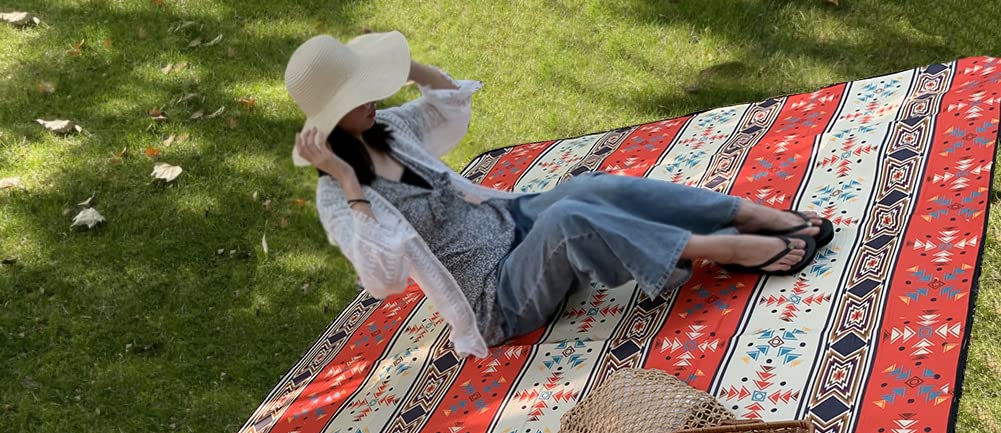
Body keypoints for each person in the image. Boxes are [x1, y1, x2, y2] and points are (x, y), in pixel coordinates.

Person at [285, 31, 835, 360]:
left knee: (588, 187)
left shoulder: (388, 128)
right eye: (357, 96)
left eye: (368, 87)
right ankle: (724, 249)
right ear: (330, 117)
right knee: (571, 217)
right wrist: (350, 183)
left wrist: (401, 67)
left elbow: (447, 102)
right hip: (496, 296)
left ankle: (745, 214)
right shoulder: (337, 196)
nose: (372, 99)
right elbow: (382, 278)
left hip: (509, 223)